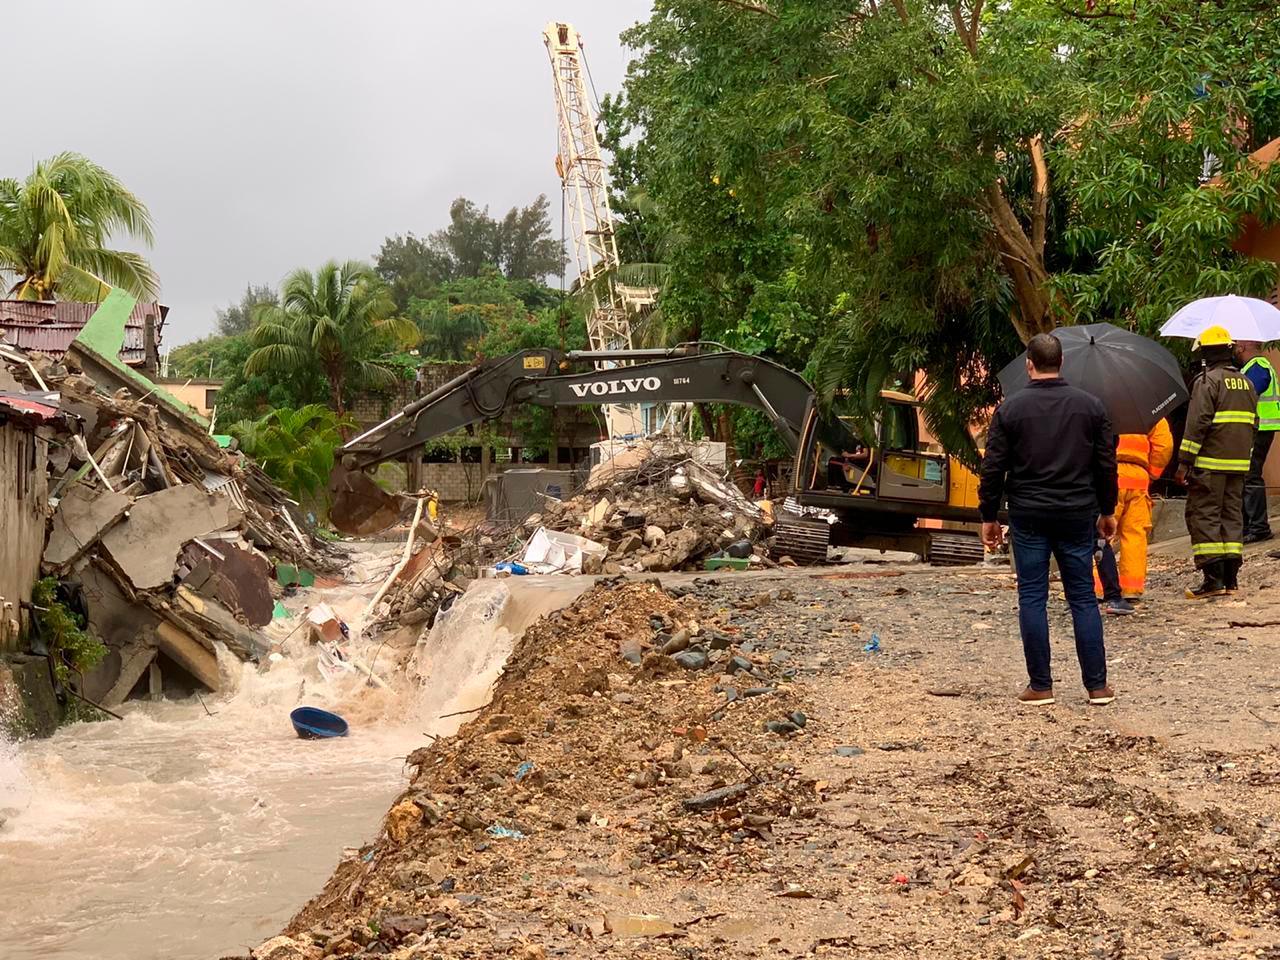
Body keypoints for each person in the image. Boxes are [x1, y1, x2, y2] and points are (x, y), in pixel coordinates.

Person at [979, 333, 1119, 707]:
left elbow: (993, 468)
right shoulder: (1090, 407)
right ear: (1061, 362)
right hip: (1077, 513)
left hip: (1029, 514)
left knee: (1032, 597)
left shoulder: (1010, 410)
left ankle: (1041, 686)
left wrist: (988, 516)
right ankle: (1097, 686)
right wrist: (1108, 510)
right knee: (1083, 599)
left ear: (1029, 364)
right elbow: (1106, 465)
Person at [1177, 325, 1258, 598]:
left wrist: (1184, 461)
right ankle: (1231, 579)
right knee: (1232, 516)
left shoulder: (1206, 381)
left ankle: (1213, 581)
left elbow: (1196, 424)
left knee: (1205, 516)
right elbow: (1254, 425)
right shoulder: (1246, 383)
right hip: (1237, 465)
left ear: (1206, 353)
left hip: (1209, 464)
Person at [1093, 419, 1174, 614]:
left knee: (1101, 536)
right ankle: (1131, 588)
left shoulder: (1100, 406)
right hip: (1139, 478)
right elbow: (1165, 445)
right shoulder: (1147, 409)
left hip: (1109, 475)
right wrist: (1152, 473)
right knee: (1135, 535)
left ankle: (1099, 586)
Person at [1236, 340, 1278, 543]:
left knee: (1251, 475)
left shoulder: (1258, 367)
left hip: (1259, 428)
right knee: (1248, 475)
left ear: (1243, 346)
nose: (1234, 347)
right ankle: (1250, 526)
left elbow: (1249, 394)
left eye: (1236, 343)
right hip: (1259, 427)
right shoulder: (1252, 367)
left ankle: (1259, 527)